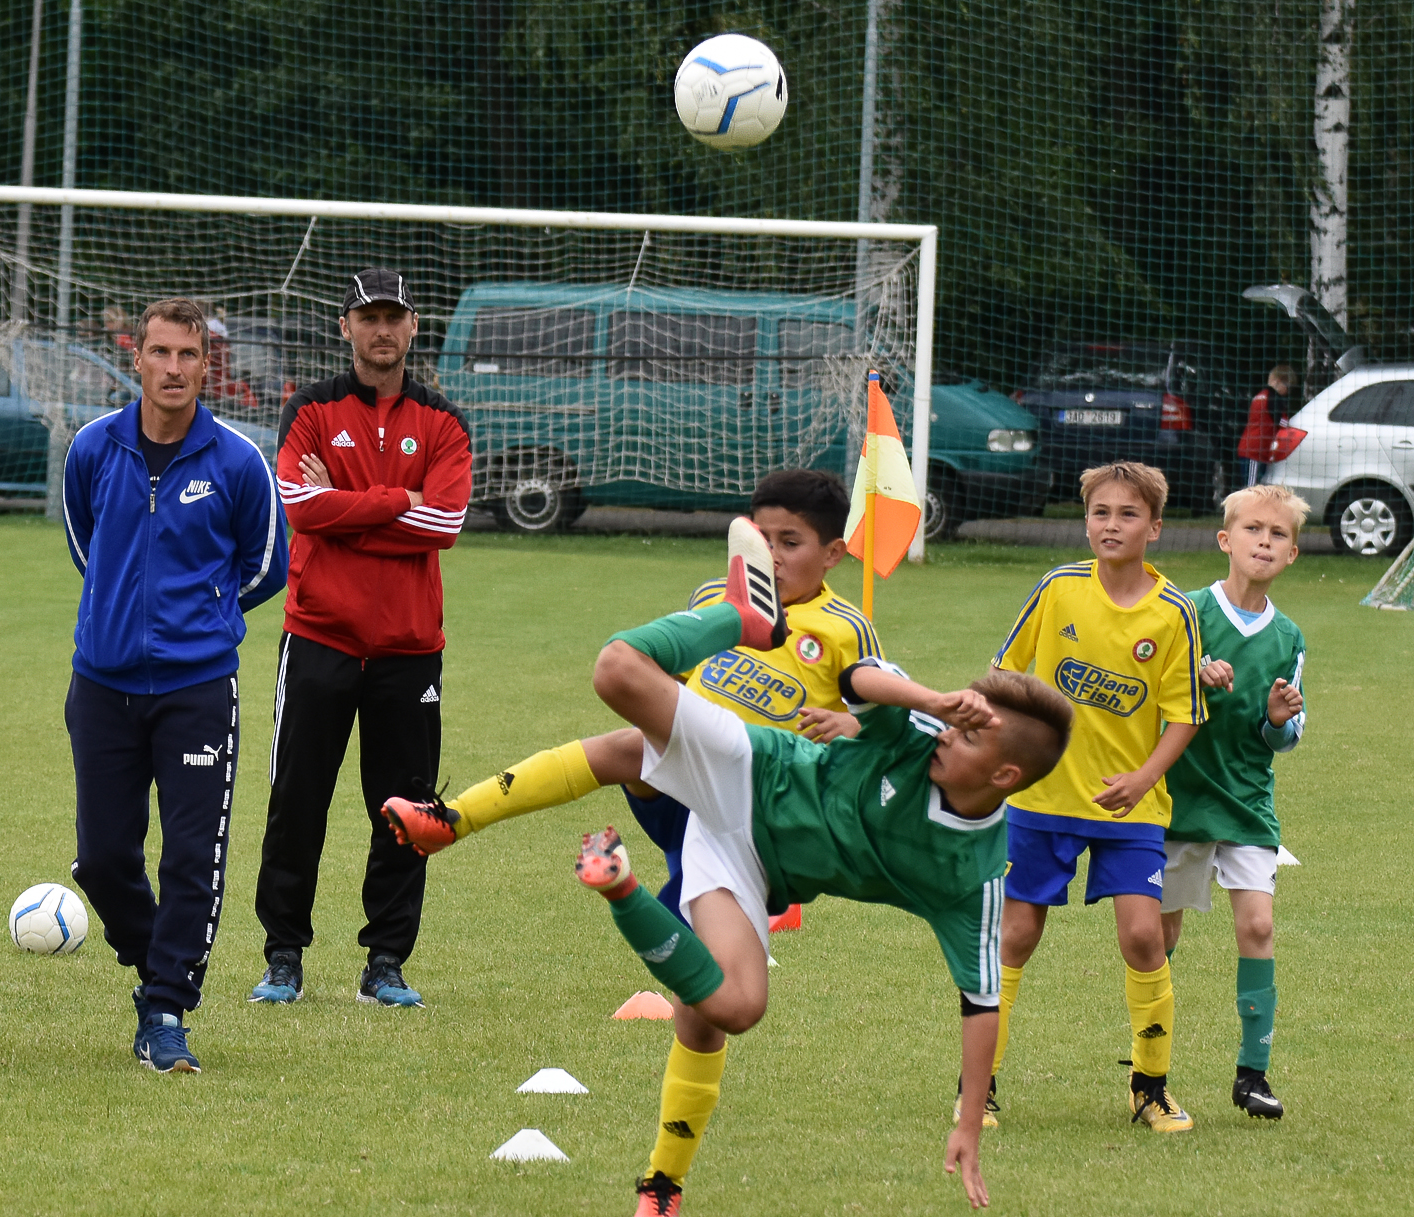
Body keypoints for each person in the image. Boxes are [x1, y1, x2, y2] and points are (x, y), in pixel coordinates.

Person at [469, 519, 1070, 1215]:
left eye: (965, 735)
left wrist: (968, 1122)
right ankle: (732, 616)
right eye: (954, 720)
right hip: (754, 769)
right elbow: (857, 678)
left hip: (747, 862)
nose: (947, 733)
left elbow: (980, 1002)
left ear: (1003, 773)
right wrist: (933, 701)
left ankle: (621, 893)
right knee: (618, 681)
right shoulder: (921, 729)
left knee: (728, 1008)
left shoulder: (971, 875)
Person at [381, 469, 880, 930]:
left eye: (789, 543)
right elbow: (669, 679)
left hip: (763, 808)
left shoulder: (845, 627)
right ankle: (452, 820)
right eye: (761, 539)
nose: (770, 555)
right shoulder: (715, 599)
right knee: (631, 747)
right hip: (689, 780)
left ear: (833, 554)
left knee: (700, 946)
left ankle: (667, 921)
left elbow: (885, 731)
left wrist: (854, 728)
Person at [61, 297, 287, 1073]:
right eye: (159, 352)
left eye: (187, 355)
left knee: (192, 856)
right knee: (100, 858)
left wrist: (202, 616)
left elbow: (264, 565)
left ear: (204, 365)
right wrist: (122, 616)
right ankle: (157, 957)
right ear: (138, 357)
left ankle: (164, 1008)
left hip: (198, 689)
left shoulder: (237, 460)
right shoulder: (92, 448)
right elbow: (85, 544)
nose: (172, 368)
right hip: (101, 685)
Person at [250, 268, 472, 1009]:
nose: (382, 330)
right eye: (367, 317)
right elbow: (300, 507)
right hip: (318, 637)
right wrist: (394, 502)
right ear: (344, 327)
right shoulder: (309, 409)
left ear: (413, 327)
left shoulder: (443, 421)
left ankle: (385, 963)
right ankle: (283, 955)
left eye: (394, 317)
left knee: (408, 809)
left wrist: (348, 504)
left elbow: (444, 524)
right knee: (297, 799)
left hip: (409, 649)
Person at [989, 461, 1206, 1132]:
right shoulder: (1057, 588)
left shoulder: (1173, 612)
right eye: (1100, 513)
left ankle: (1149, 1087)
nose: (1111, 525)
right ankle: (979, 1083)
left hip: (1130, 806)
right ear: (1085, 520)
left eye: (1127, 514)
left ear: (1155, 527)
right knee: (1016, 934)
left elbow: (1184, 713)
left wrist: (1142, 778)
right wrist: (1003, 749)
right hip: (1042, 799)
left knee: (1144, 936)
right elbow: (1004, 673)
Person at [1162, 484, 1309, 1119]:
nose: (1264, 542)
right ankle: (1151, 1073)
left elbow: (1285, 737)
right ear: (1226, 540)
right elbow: (1146, 691)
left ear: (1293, 554)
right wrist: (1190, 674)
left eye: (1277, 535)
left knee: (1257, 926)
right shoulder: (1186, 611)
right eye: (1253, 530)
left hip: (1247, 803)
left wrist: (1277, 719)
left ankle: (1252, 1075)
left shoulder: (1290, 636)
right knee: (1157, 941)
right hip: (1176, 801)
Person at [1236, 365, 1297, 487]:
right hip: (1255, 451)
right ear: (1279, 382)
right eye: (1288, 387)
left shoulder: (1260, 396)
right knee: (1251, 488)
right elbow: (1281, 422)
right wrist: (1293, 425)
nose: (1287, 392)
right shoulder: (1274, 398)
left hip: (1249, 447)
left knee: (1251, 484)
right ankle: (1249, 506)